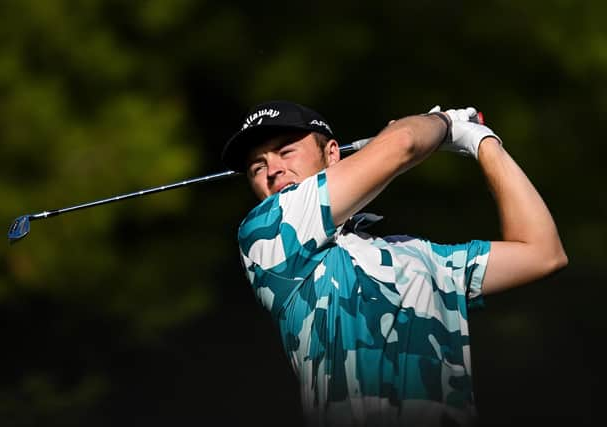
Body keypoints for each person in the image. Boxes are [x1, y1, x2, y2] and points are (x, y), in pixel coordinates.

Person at [220, 100, 568, 427]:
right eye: (257, 167)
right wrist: (444, 124)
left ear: (331, 155)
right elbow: (403, 143)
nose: (273, 171)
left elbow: (542, 252)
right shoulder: (267, 233)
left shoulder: (417, 256)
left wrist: (482, 143)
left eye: (286, 151)